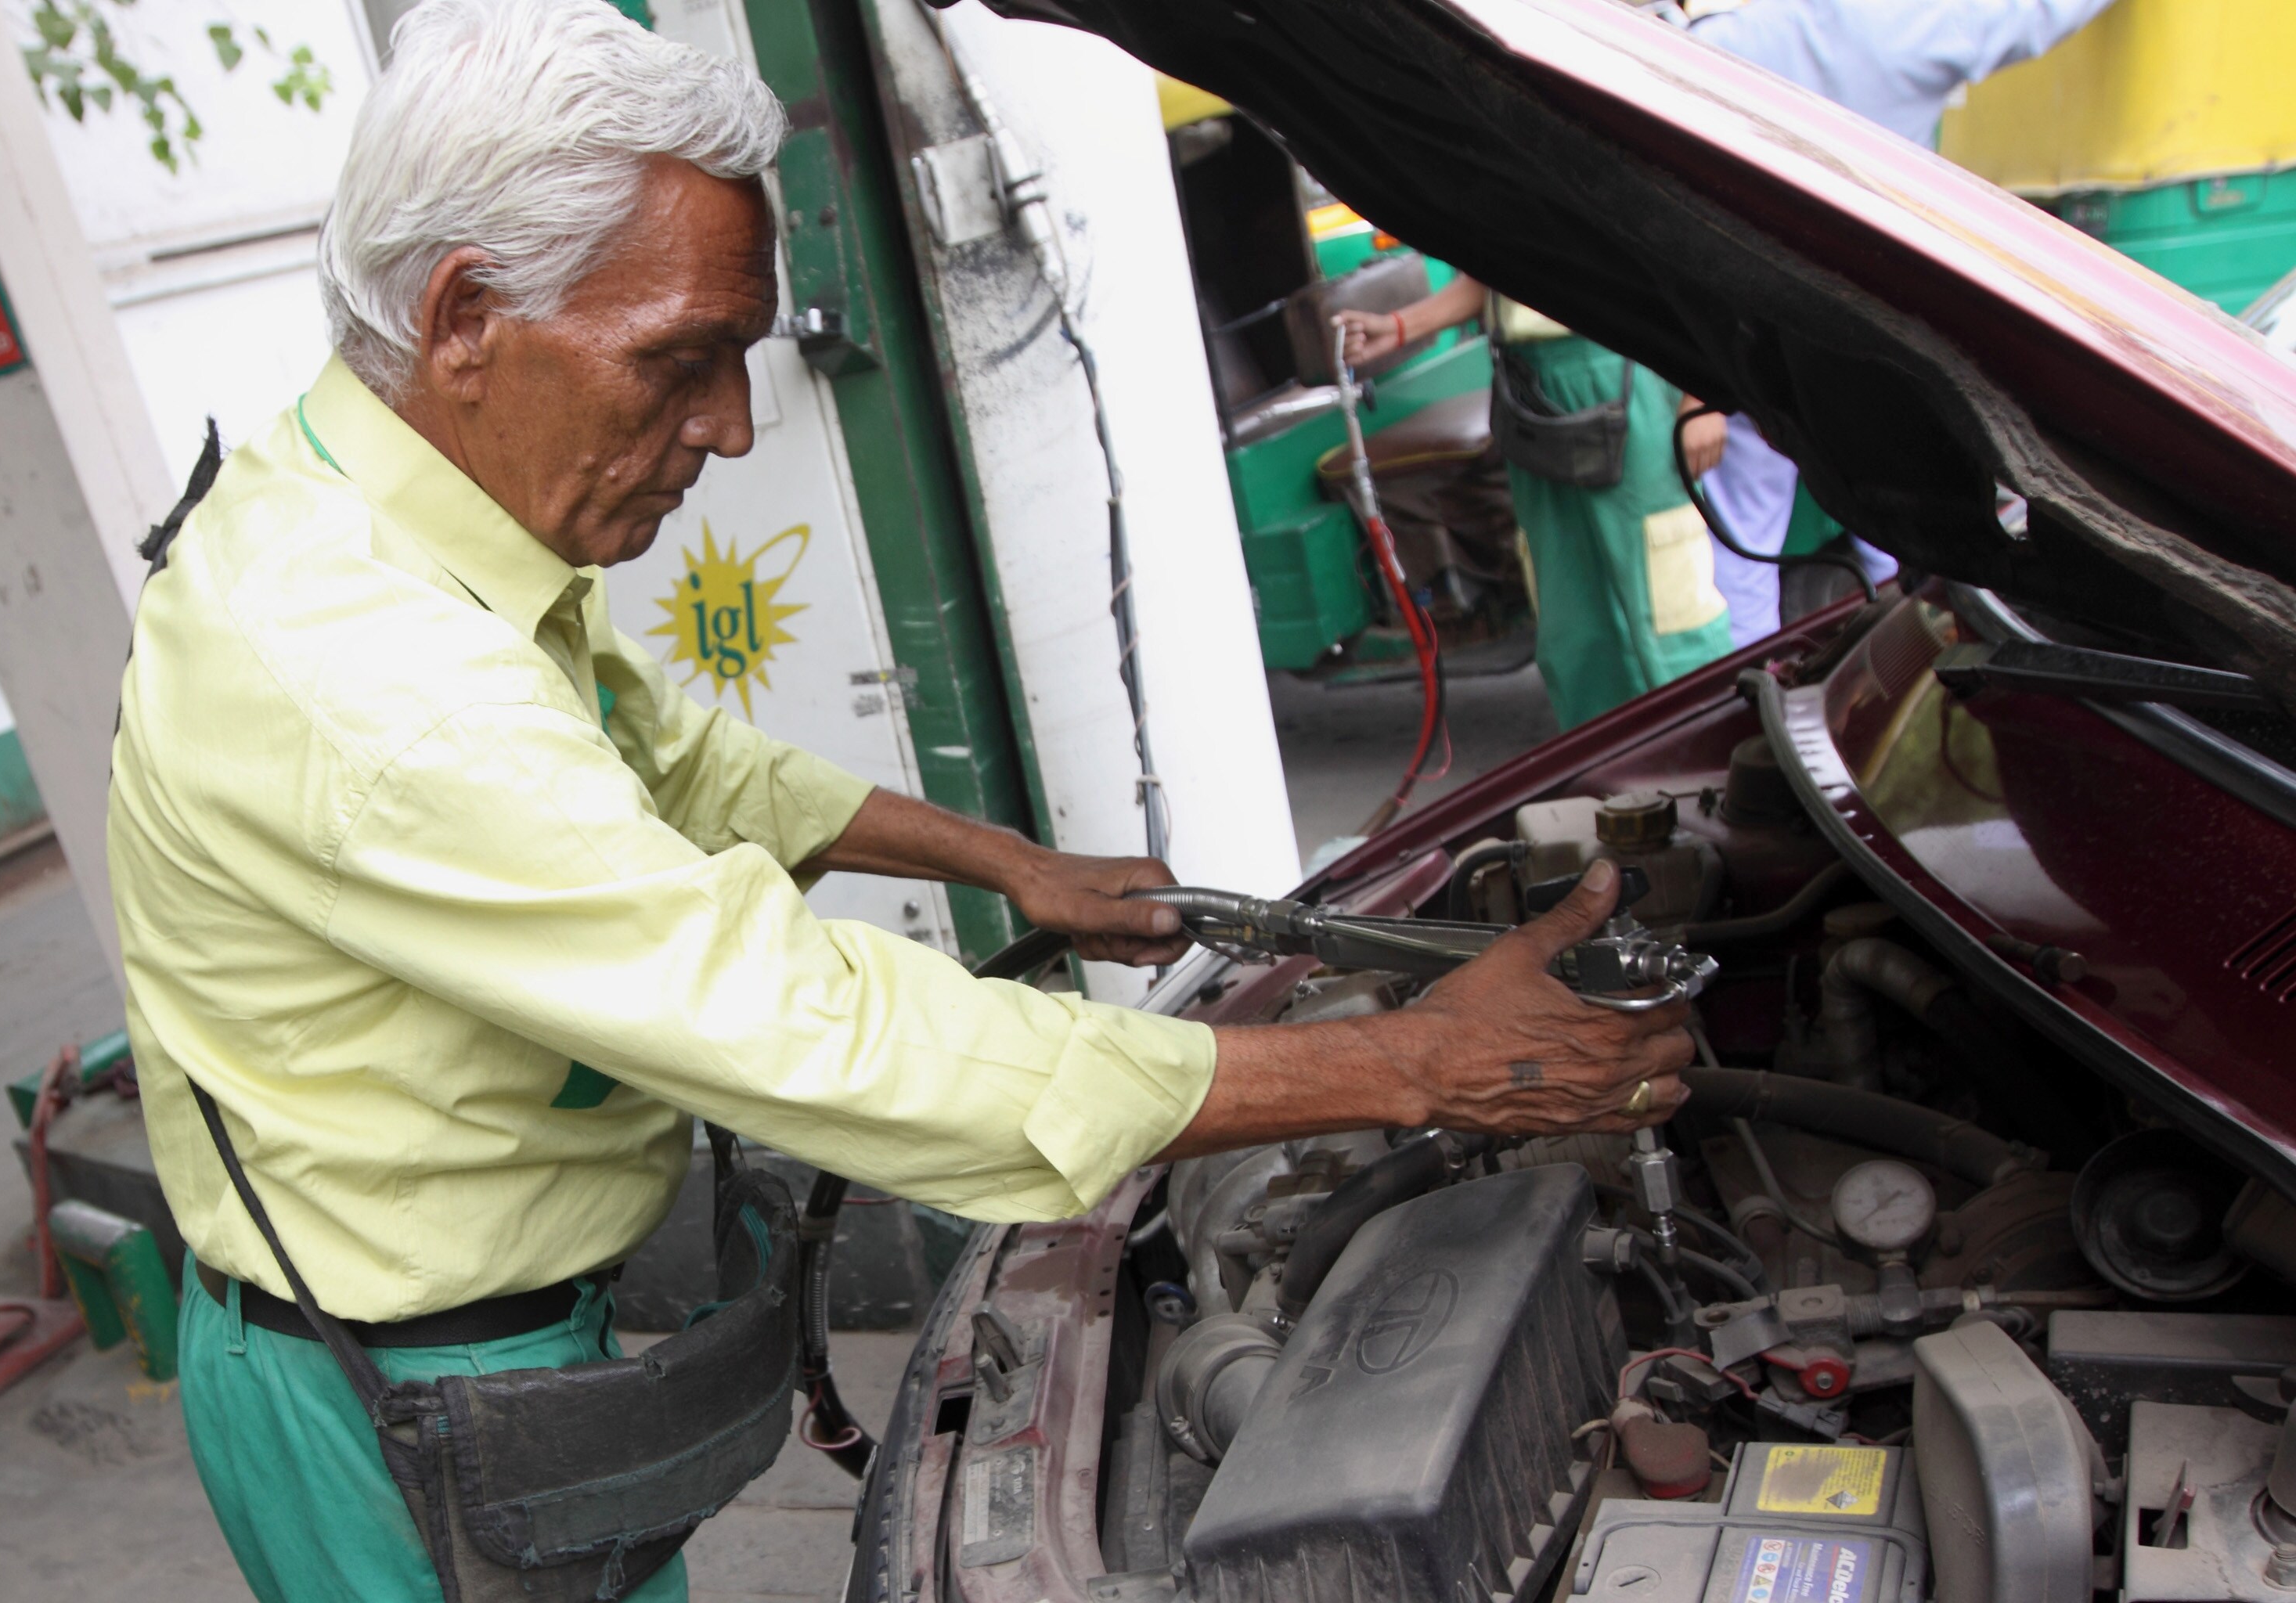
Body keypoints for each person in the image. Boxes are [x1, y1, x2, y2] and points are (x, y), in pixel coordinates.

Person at [105, 4, 1693, 1598]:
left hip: (479, 1342)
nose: (728, 425)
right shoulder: (363, 674)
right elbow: (814, 1034)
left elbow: (678, 765)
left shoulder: (421, 531)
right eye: (680, 359)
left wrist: (1011, 864)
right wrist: (1420, 1062)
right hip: (389, 1395)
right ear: (464, 315)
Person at [1684, 0, 2120, 647]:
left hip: (1756, 320)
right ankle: (1894, 673)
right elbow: (2035, 15)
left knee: (1746, 547)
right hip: (1873, 332)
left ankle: (1745, 688)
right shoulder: (1906, 28)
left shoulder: (1729, 36)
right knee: (1895, 537)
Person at [1339, 279, 1733, 729]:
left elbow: (1684, 265)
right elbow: (1492, 276)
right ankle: (1604, 772)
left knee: (1666, 602)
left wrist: (1703, 393)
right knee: (1572, 614)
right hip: (1529, 390)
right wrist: (1398, 327)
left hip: (1624, 372)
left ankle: (1710, 745)